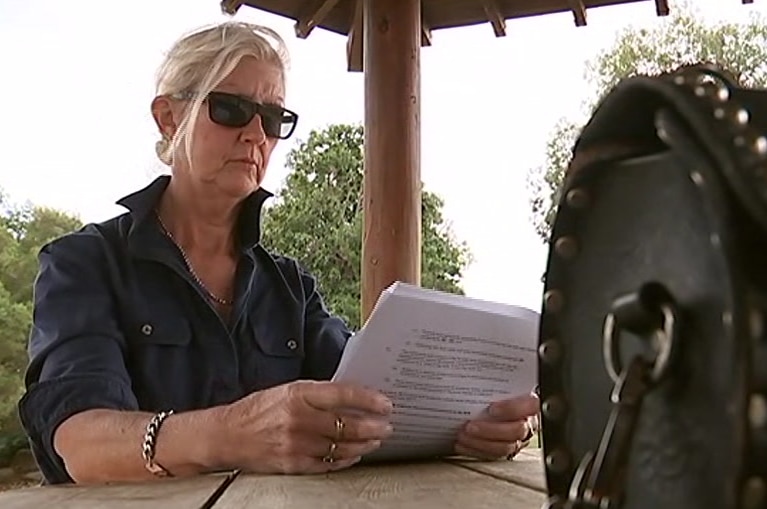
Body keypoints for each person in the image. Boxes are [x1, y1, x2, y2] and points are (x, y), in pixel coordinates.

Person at [17, 21, 540, 485]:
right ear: (169, 118)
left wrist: (470, 428)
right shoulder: (83, 264)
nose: (255, 135)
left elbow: (373, 406)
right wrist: (234, 433)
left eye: (272, 118)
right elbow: (80, 442)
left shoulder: (290, 288)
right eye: (230, 109)